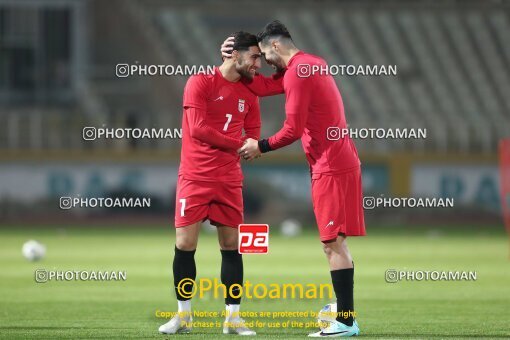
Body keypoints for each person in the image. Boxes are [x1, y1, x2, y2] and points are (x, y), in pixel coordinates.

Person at [222, 21, 366, 337]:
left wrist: (259, 146)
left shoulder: (299, 72)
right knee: (335, 243)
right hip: (335, 161)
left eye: (262, 55)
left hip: (332, 165)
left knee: (332, 244)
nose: (262, 63)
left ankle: (345, 322)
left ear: (275, 46)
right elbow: (260, 87)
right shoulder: (309, 65)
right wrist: (231, 59)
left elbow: (293, 130)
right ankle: (346, 317)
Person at [158, 31, 261, 336]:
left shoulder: (251, 94)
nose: (258, 63)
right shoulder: (199, 82)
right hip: (195, 177)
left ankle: (233, 318)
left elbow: (253, 134)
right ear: (234, 54)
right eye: (254, 56)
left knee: (231, 247)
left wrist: (253, 146)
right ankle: (183, 316)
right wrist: (238, 144)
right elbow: (198, 129)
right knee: (185, 245)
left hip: (229, 179)